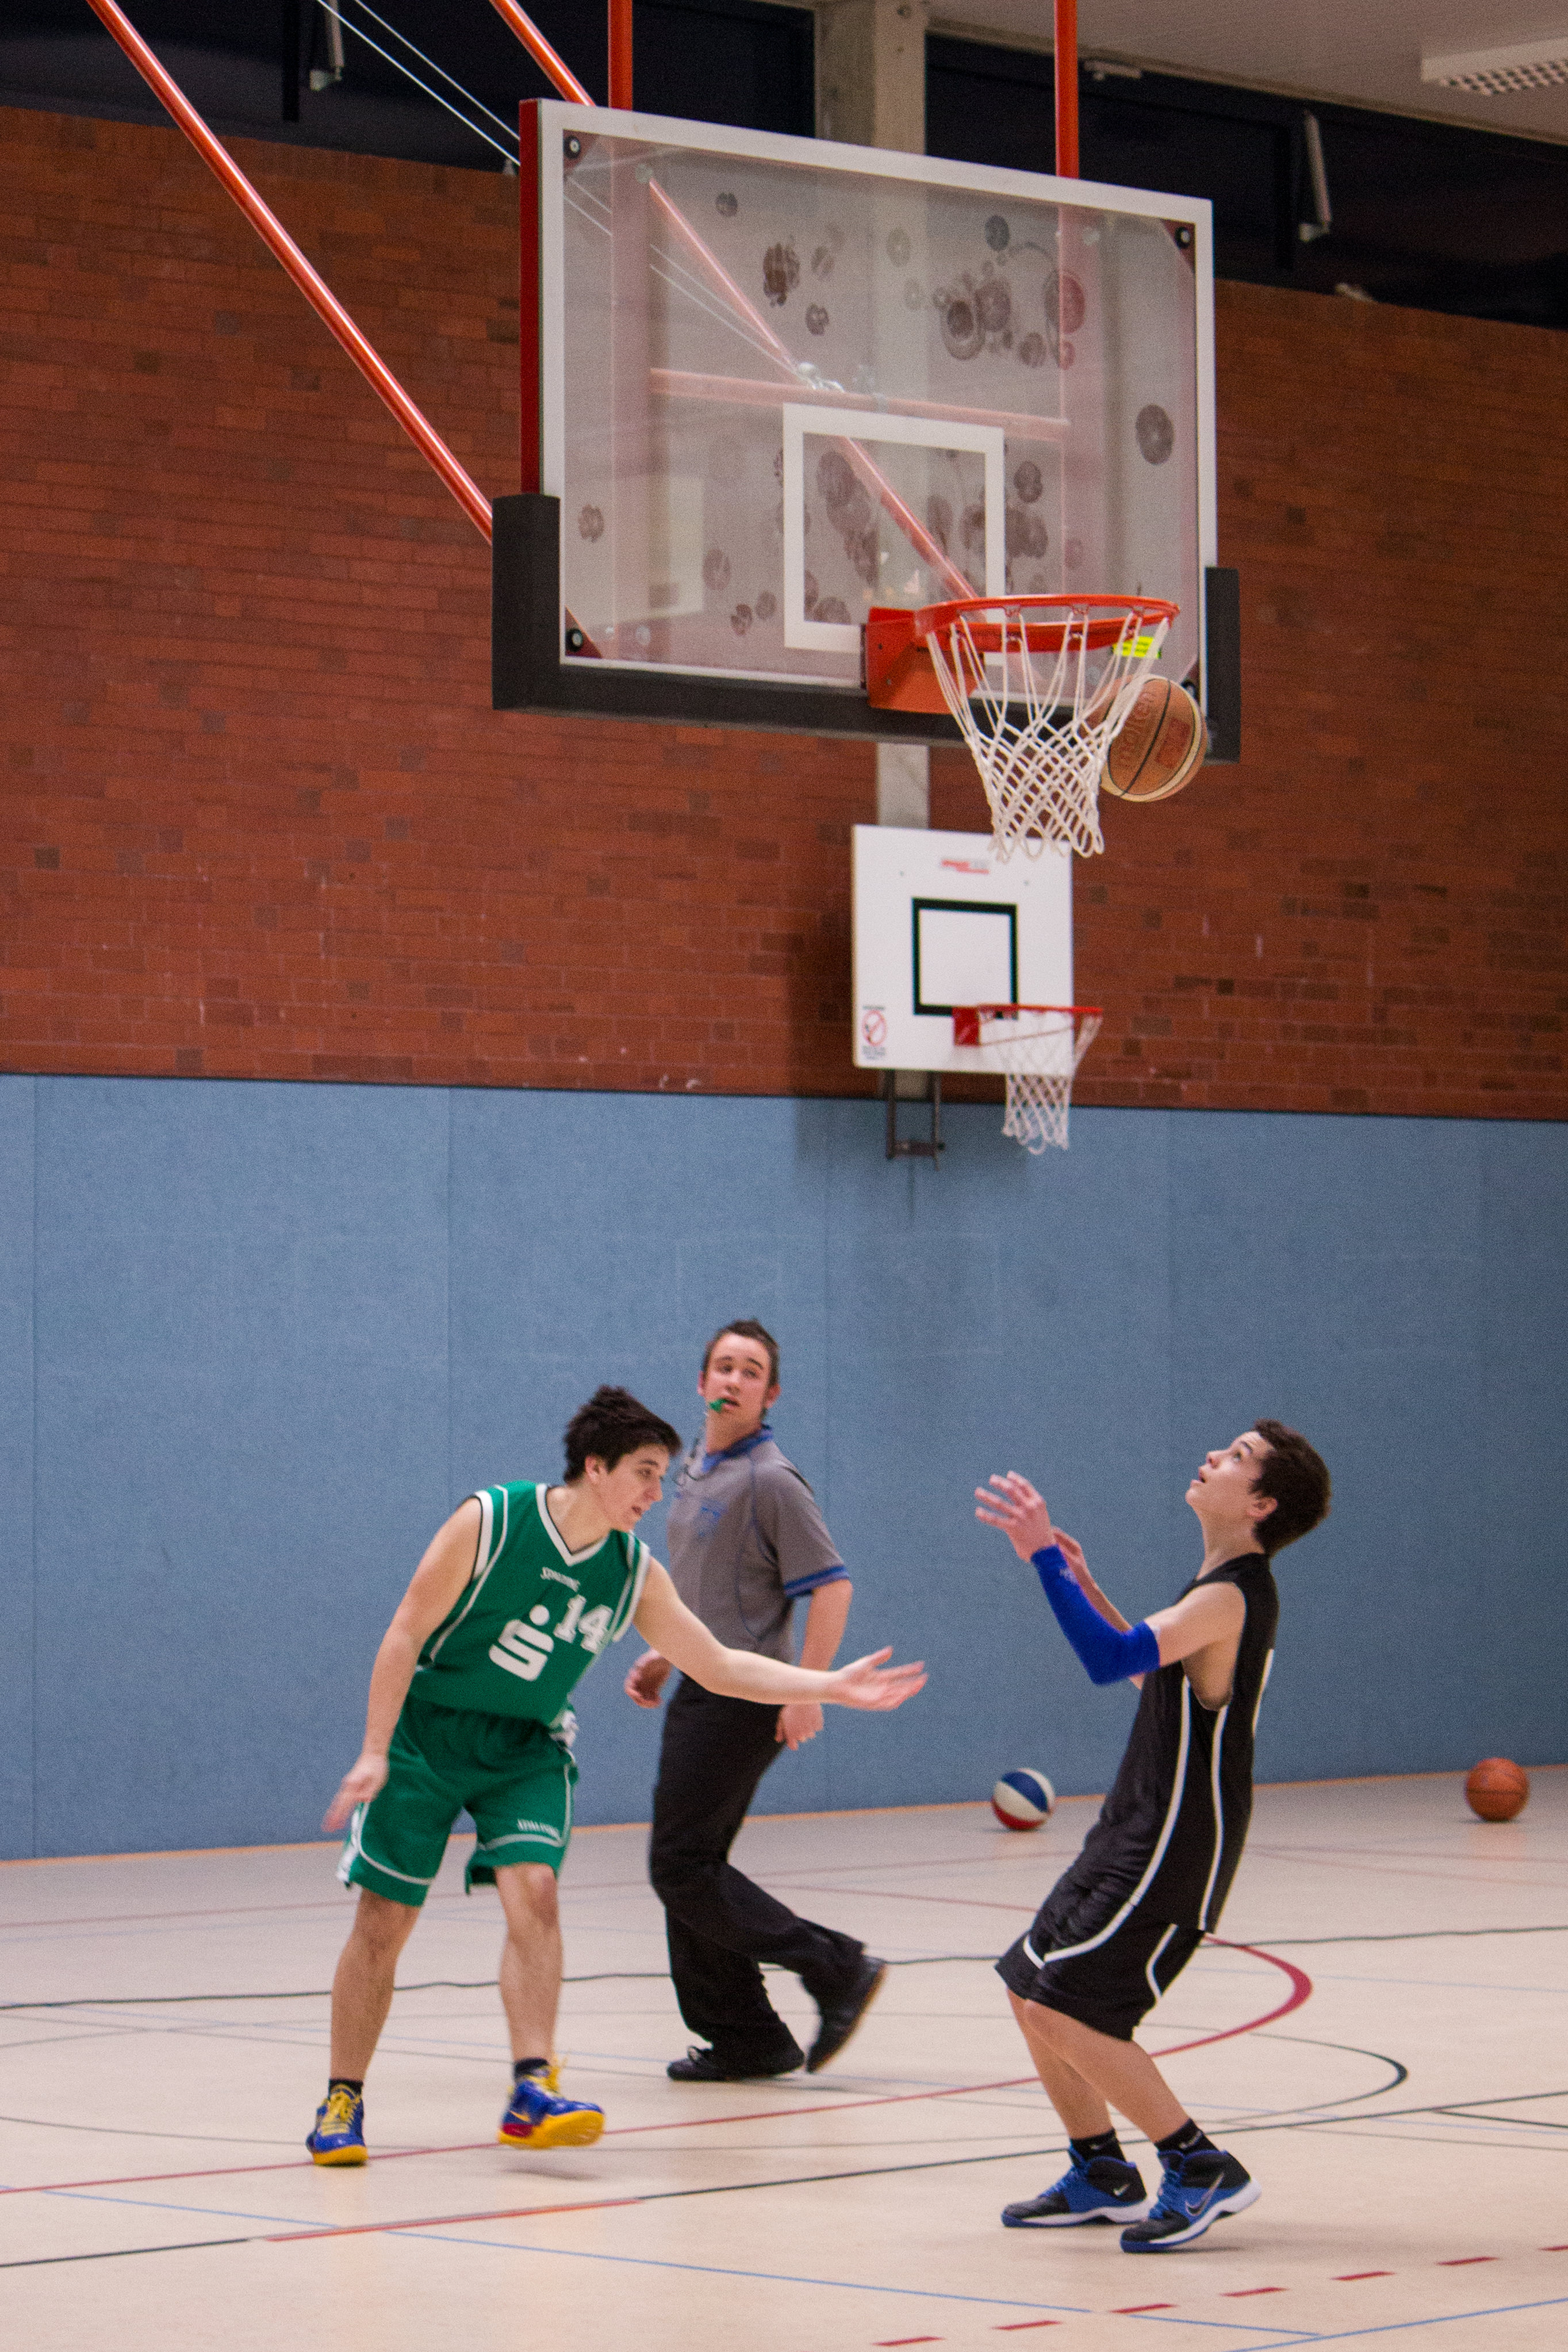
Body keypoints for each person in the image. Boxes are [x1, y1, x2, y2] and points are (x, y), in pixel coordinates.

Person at [308, 1384, 925, 2166]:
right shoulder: (491, 1521)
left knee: (535, 1891)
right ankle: (342, 2098)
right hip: (428, 1734)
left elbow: (718, 1663)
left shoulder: (633, 1570)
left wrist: (828, 1685)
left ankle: (532, 2089)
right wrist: (374, 1748)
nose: (655, 1492)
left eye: (662, 1475)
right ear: (595, 1468)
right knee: (385, 1922)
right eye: (644, 1472)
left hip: (524, 1746)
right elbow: (405, 1632)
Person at [975, 1419, 1330, 2252]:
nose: (1213, 1457)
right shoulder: (1215, 1586)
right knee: (1028, 1986)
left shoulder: (1233, 1594)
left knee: (1067, 2007)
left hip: (1177, 1838)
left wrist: (1043, 1557)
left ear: (1262, 1503)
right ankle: (1101, 2168)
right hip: (1133, 1822)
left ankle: (1200, 2163)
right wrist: (1086, 1583)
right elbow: (1145, 1667)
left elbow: (1107, 1660)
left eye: (1237, 1457)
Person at [624, 1320, 883, 2082]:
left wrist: (810, 1688)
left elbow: (833, 1587)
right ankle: (745, 2036)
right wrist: (667, 1653)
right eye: (724, 1366)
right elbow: (707, 1588)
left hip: (747, 1698)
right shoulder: (696, 1469)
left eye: (751, 1371)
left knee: (680, 1865)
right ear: (702, 1382)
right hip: (703, 1682)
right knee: (694, 1865)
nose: (733, 1379)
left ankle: (834, 1964)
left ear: (770, 1395)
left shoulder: (772, 1480)